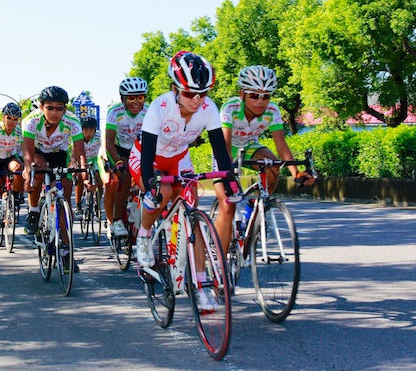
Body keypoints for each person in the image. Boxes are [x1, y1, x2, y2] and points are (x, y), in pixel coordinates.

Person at [129, 51, 232, 311]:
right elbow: (148, 155)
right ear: (175, 89)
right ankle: (143, 236)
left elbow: (221, 153)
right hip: (147, 156)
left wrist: (229, 181)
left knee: (192, 214)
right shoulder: (160, 107)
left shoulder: (209, 109)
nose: (197, 100)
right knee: (161, 190)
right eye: (189, 94)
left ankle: (201, 285)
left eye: (203, 93)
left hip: (179, 158)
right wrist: (151, 183)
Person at [213, 65, 316, 257]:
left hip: (250, 146)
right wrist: (228, 175)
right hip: (226, 149)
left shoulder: (273, 110)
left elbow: (281, 145)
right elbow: (225, 146)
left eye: (266, 96)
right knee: (227, 203)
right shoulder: (231, 108)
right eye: (254, 95)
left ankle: (255, 208)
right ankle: (220, 262)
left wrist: (296, 173)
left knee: (273, 165)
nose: (260, 102)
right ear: (242, 93)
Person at [22, 86, 90, 272]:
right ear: (41, 107)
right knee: (39, 169)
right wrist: (28, 171)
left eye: (59, 108)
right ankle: (34, 210)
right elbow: (27, 152)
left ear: (65, 109)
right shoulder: (31, 121)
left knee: (64, 203)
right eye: (49, 107)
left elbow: (80, 152)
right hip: (37, 154)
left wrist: (84, 174)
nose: (54, 112)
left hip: (60, 155)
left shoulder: (72, 121)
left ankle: (67, 252)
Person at [100, 77, 149, 238]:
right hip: (118, 149)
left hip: (139, 148)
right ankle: (117, 219)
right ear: (123, 99)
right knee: (123, 176)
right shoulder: (115, 112)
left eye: (140, 97)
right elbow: (109, 141)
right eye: (131, 98)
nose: (136, 102)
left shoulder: (149, 111)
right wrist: (119, 162)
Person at [0, 102, 24, 240]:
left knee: (18, 169)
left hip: (9, 158)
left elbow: (24, 151)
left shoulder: (19, 131)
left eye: (15, 119)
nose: (12, 122)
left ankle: (14, 196)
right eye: (9, 118)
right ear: (3, 117)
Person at [74, 116, 102, 217]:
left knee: (99, 179)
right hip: (80, 160)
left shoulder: (99, 137)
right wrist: (74, 167)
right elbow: (73, 153)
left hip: (95, 160)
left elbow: (104, 151)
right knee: (80, 178)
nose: (88, 133)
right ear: (81, 130)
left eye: (91, 130)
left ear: (95, 130)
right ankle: (78, 206)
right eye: (85, 130)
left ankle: (97, 204)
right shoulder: (77, 137)